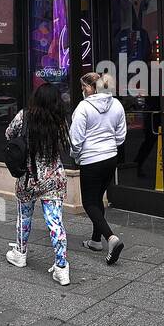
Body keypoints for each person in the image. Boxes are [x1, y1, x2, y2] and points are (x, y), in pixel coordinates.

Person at [4, 83, 71, 285]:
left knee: (24, 217)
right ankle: (61, 267)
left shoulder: (24, 116)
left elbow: (8, 134)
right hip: (53, 178)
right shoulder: (59, 120)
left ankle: (20, 253)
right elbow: (68, 142)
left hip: (29, 177)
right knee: (55, 223)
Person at [69, 71, 127, 265]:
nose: (82, 90)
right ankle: (95, 241)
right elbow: (121, 136)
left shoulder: (83, 107)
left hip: (91, 160)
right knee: (98, 198)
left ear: (92, 87)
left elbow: (76, 139)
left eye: (84, 86)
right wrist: (110, 146)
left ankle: (111, 238)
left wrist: (77, 156)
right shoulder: (117, 104)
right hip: (111, 158)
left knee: (89, 203)